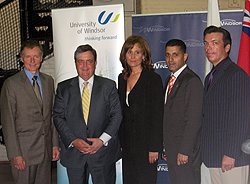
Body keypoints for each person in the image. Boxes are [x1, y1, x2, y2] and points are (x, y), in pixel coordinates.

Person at [53, 44, 122, 184]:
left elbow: (116, 116)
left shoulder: (108, 86)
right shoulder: (63, 88)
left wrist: (102, 140)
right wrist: (73, 140)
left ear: (95, 63)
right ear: (75, 63)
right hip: (74, 155)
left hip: (103, 154)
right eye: (80, 61)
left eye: (89, 61)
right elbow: (58, 117)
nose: (85, 65)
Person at [0, 40, 60, 184]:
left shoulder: (48, 81)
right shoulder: (11, 84)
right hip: (23, 153)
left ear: (41, 58)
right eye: (28, 57)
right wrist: (15, 154)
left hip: (45, 151)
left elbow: (51, 115)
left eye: (36, 56)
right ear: (22, 59)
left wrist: (54, 144)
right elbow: (8, 123)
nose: (32, 61)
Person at [201, 25, 250, 184]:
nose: (209, 48)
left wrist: (231, 153)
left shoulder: (236, 75)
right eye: (206, 44)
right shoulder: (210, 77)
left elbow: (240, 118)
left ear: (227, 47)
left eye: (214, 43)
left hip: (231, 159)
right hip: (214, 156)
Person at [118, 35, 164, 184]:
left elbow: (157, 115)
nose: (133, 56)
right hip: (127, 146)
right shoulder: (122, 78)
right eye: (129, 52)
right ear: (124, 55)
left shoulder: (153, 79)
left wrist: (154, 147)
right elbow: (122, 114)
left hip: (146, 146)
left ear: (144, 55)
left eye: (137, 52)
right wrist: (121, 143)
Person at [163, 39, 203, 184]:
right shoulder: (169, 80)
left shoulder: (191, 81)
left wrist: (185, 151)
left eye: (175, 55)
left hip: (185, 154)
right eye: (167, 55)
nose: (170, 59)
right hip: (172, 151)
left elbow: (194, 120)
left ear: (185, 56)